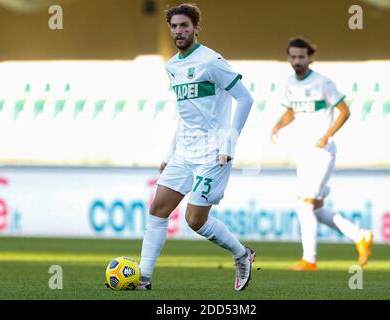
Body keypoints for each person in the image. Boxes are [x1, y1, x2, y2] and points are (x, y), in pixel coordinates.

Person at [137, 3, 255, 290]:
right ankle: (143, 277)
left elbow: (245, 99)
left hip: (213, 154)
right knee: (158, 209)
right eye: (174, 26)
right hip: (183, 153)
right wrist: (169, 152)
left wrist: (229, 142)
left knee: (194, 220)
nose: (179, 31)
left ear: (195, 28)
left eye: (184, 26)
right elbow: (185, 114)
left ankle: (241, 254)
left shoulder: (211, 61)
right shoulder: (172, 66)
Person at [270, 37, 373, 271]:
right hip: (304, 151)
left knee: (304, 205)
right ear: (289, 58)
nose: (297, 61)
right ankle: (360, 236)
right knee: (314, 207)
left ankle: (310, 259)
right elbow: (290, 113)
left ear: (310, 58)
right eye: (293, 57)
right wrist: (277, 126)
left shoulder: (323, 83)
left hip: (321, 150)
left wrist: (327, 135)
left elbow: (345, 111)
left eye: (301, 57)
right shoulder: (289, 83)